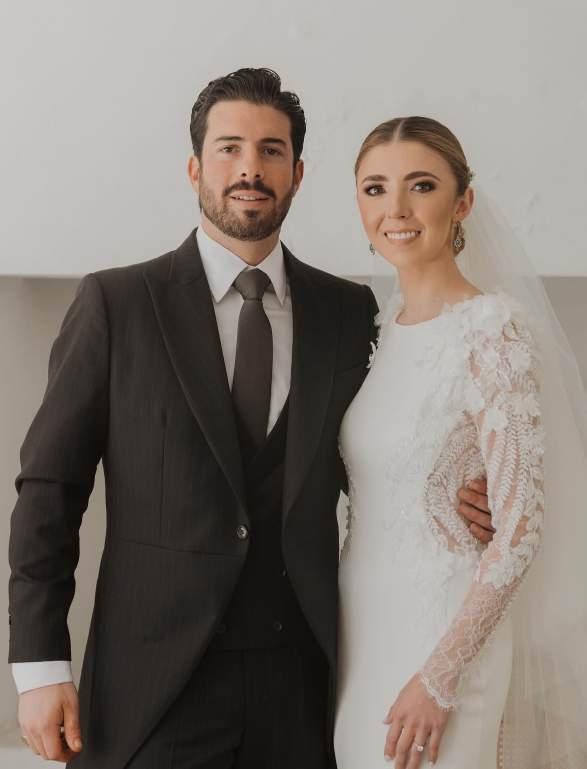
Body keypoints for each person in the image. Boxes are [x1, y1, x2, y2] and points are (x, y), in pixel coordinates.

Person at [8, 72, 491, 768]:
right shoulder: (118, 304)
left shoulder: (349, 313)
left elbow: (383, 451)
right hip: (151, 690)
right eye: (229, 147)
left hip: (303, 688)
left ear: (297, 174)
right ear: (194, 168)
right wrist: (39, 665)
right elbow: (49, 491)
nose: (249, 168)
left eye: (271, 151)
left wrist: (466, 497)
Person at [334, 116, 587, 769]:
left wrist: (439, 678)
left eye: (420, 185)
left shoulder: (491, 333)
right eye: (374, 188)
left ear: (462, 202)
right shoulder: (381, 330)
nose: (395, 208)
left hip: (441, 638)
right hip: (360, 626)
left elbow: (520, 528)